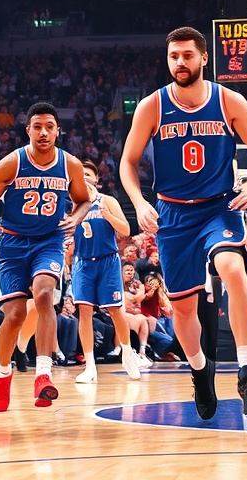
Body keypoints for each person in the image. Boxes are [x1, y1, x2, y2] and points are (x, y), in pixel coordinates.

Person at [119, 26, 247, 419]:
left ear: (204, 58)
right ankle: (201, 371)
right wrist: (139, 202)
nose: (180, 62)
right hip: (173, 213)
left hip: (219, 206)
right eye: (174, 56)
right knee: (184, 309)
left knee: (233, 269)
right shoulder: (152, 106)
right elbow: (128, 162)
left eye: (187, 55)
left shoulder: (229, 100)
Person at [0, 102, 91, 412]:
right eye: (37, 127)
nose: (43, 133)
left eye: (49, 127)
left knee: (43, 295)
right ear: (28, 130)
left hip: (49, 241)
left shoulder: (71, 165)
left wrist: (76, 217)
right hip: (12, 244)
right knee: (15, 315)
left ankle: (43, 375)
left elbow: (83, 200)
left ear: (58, 131)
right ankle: (3, 374)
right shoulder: (11, 163)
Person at [67, 159, 141, 384]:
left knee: (115, 310)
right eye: (80, 175)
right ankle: (90, 366)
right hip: (83, 263)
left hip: (108, 260)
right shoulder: (71, 205)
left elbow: (126, 230)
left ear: (96, 179)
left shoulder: (107, 201)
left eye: (88, 175)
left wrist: (108, 215)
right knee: (84, 312)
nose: (84, 178)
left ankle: (127, 353)